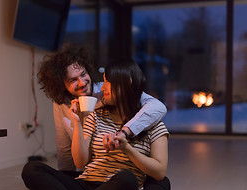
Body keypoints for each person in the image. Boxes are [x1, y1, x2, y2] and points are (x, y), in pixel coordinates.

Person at [20, 60, 172, 190]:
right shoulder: (95, 115)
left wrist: (127, 149)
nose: (102, 87)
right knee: (32, 169)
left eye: (107, 81)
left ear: (127, 84)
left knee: (126, 179)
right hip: (88, 185)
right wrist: (77, 122)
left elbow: (160, 172)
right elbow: (80, 162)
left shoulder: (152, 123)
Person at [37, 43, 167, 176]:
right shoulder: (61, 105)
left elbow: (157, 106)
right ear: (62, 85)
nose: (82, 83)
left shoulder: (108, 92)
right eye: (73, 80)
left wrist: (125, 132)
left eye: (83, 74)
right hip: (88, 171)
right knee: (35, 171)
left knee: (155, 184)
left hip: (116, 171)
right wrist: (65, 181)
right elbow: (64, 149)